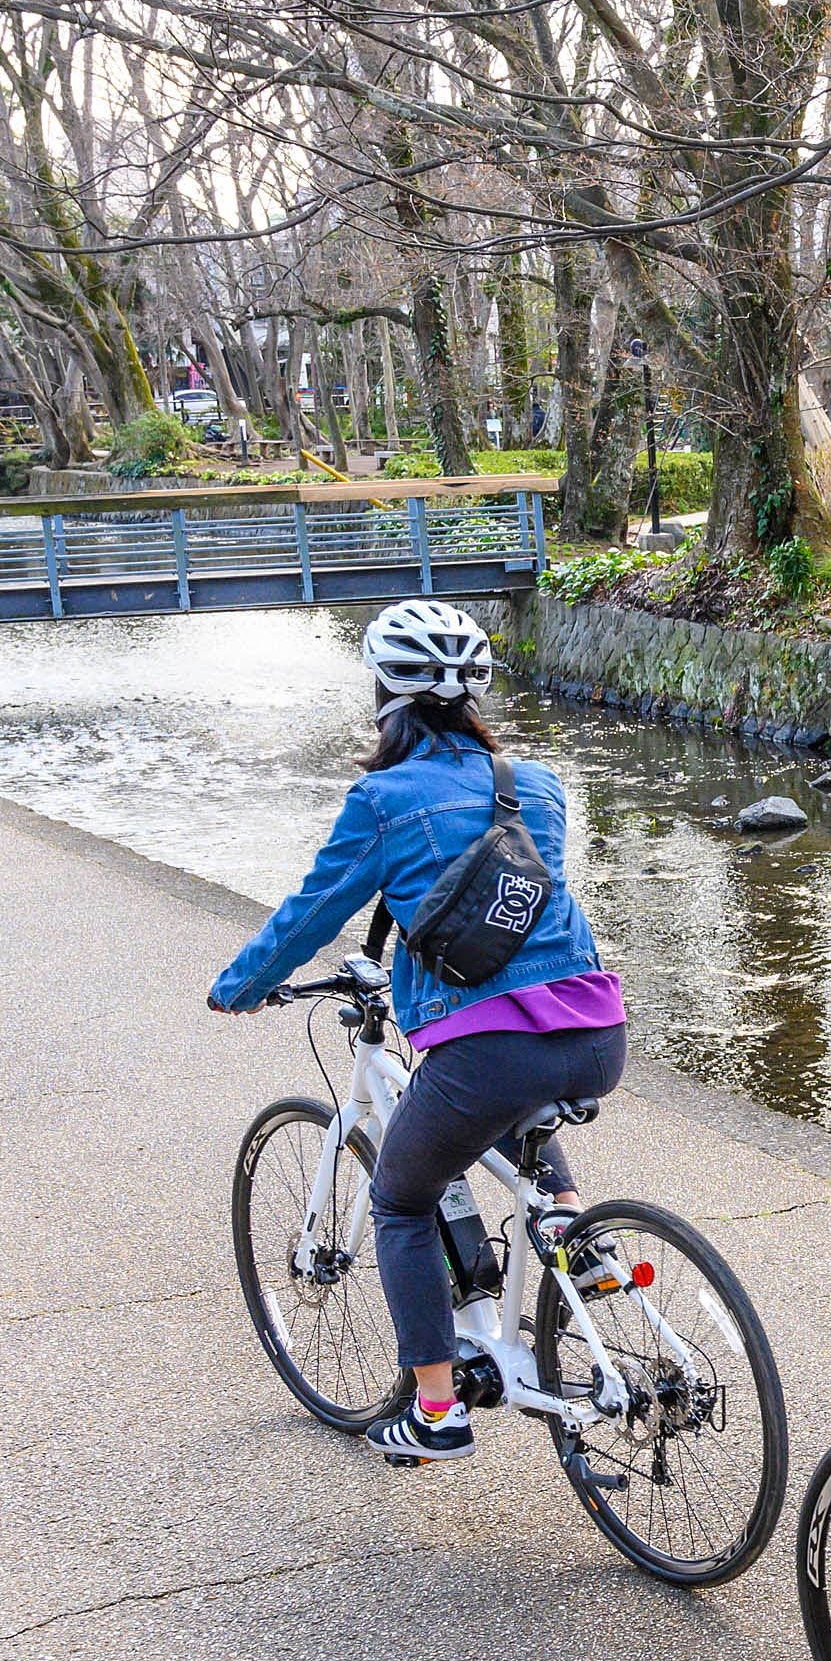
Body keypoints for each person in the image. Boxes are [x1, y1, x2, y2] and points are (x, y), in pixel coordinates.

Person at [211, 600, 624, 1466]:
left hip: (486, 1050)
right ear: (476, 693)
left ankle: (437, 1410)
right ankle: (575, 1229)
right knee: (517, 1105)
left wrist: (240, 985)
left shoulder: (384, 797)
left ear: (383, 694)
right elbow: (523, 915)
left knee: (400, 1196)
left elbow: (313, 910)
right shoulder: (536, 784)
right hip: (595, 1029)